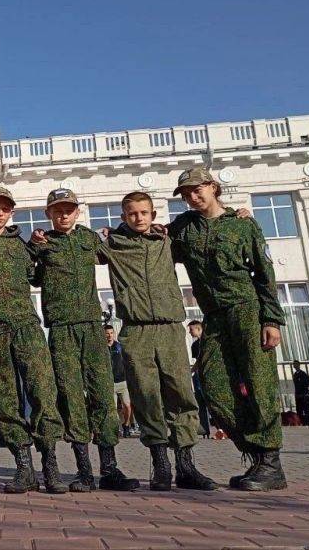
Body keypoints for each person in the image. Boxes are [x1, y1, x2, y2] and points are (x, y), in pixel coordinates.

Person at [169, 167, 286, 491]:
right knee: (213, 384)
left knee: (259, 385)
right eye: (187, 194)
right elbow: (154, 238)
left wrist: (271, 320)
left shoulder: (242, 224)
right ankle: (256, 452)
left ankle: (271, 464)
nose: (193, 197)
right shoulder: (184, 227)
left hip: (247, 311)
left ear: (212, 186)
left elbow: (264, 275)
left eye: (197, 189)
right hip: (215, 318)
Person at [99, 193, 217, 491]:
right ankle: (161, 464)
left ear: (153, 214)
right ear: (123, 216)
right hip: (136, 330)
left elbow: (200, 226)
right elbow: (73, 243)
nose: (138, 218)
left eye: (143, 213)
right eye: (131, 213)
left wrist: (234, 214)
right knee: (146, 396)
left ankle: (186, 465)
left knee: (180, 392)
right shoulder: (112, 243)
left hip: (169, 328)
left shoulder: (168, 240)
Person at [28, 189, 138, 492]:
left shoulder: (88, 238)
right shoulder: (41, 243)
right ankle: (83, 470)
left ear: (78, 212)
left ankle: (110, 467)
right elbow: (27, 273)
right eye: (58, 210)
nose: (64, 215)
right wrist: (33, 243)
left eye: (69, 210)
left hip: (91, 325)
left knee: (102, 392)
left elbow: (121, 243)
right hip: (62, 328)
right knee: (71, 395)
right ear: (49, 213)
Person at [0, 185, 66, 494]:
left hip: (27, 326)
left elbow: (39, 276)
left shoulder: (22, 246)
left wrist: (41, 246)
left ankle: (51, 464)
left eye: (5, 208)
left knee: (42, 390)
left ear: (11, 212)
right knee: (5, 398)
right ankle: (23, 467)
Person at [105, 326, 134, 438]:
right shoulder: (102, 348)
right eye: (107, 333)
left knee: (127, 406)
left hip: (123, 382)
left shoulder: (119, 346)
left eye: (111, 333)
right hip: (110, 383)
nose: (109, 335)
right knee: (112, 409)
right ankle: (116, 428)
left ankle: (126, 425)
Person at [187, 320, 212, 437]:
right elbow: (197, 361)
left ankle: (220, 427)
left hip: (210, 374)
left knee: (211, 401)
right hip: (199, 375)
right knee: (200, 401)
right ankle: (204, 428)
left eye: (191, 330)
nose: (190, 332)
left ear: (199, 329)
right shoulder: (195, 345)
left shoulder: (209, 341)